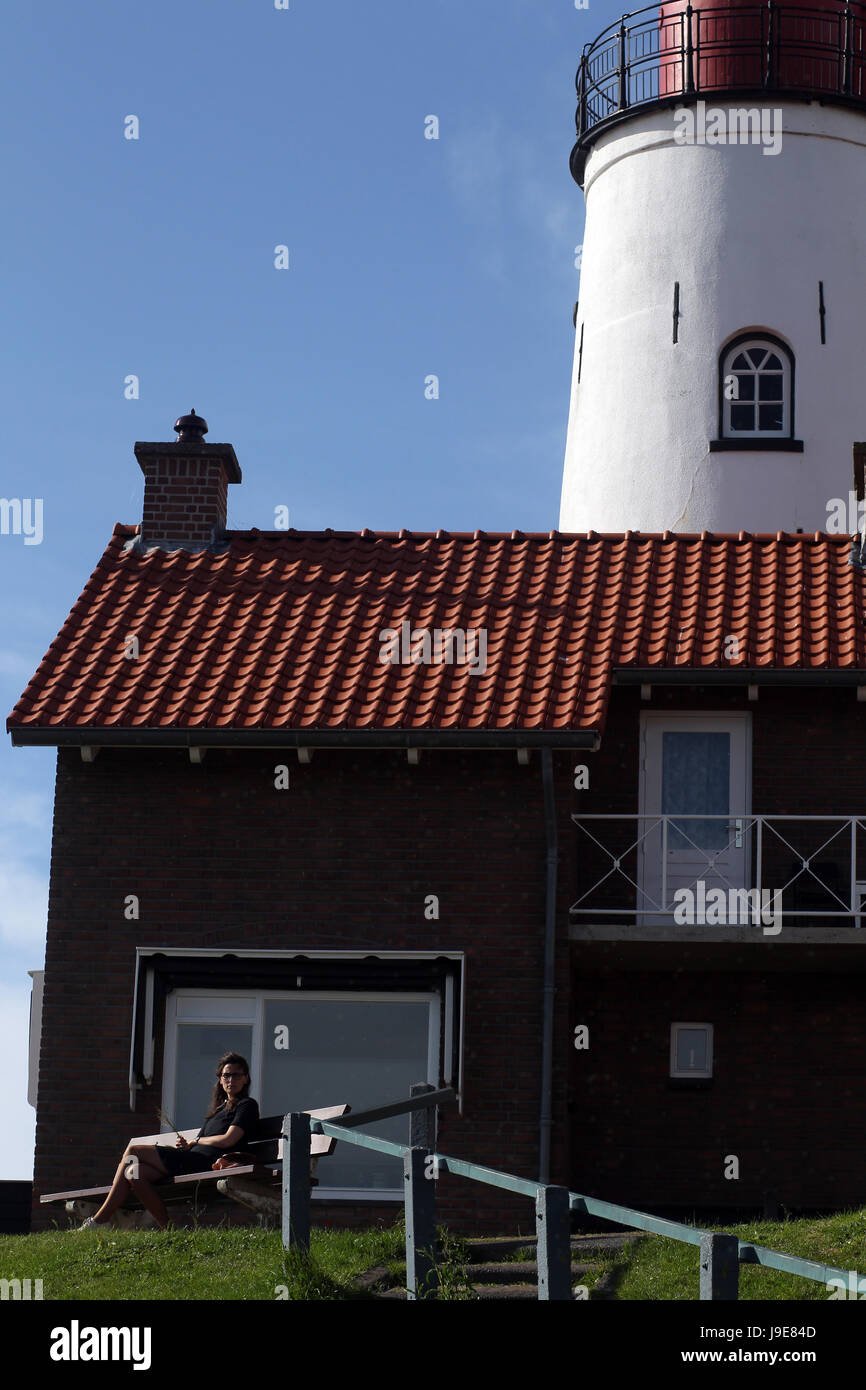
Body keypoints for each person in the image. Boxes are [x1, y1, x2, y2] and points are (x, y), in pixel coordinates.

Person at [78, 1052, 260, 1231]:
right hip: (192, 1160)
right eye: (226, 1075)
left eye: (236, 1075)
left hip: (209, 1165)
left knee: (134, 1151)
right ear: (220, 1080)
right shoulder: (218, 1110)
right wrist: (189, 1145)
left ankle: (100, 1220)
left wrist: (196, 1141)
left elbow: (229, 1139)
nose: (230, 1079)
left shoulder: (247, 1105)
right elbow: (202, 1142)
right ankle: (169, 1229)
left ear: (245, 1078)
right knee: (134, 1172)